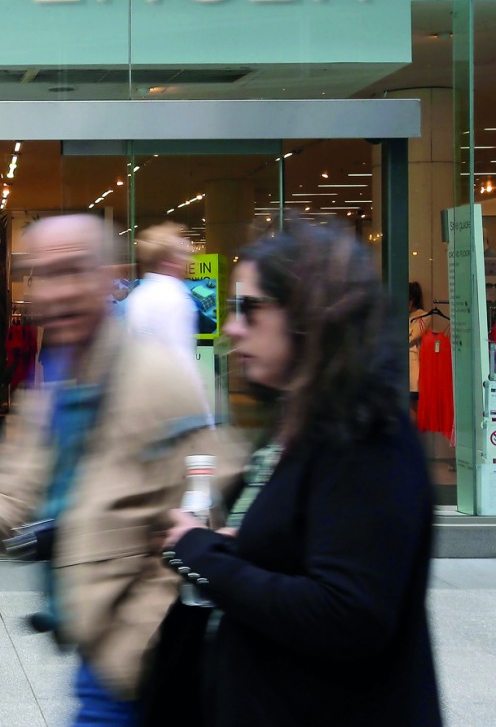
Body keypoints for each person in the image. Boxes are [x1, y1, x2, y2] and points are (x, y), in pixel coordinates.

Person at [0, 214, 239, 725]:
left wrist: (135, 633)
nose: (57, 291)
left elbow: (210, 487)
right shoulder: (60, 376)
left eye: (72, 271)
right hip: (95, 644)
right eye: (46, 275)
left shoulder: (156, 376)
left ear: (106, 277)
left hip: (136, 663)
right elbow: (15, 477)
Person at [161, 221, 441, 727]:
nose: (232, 328)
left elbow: (345, 612)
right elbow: (305, 557)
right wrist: (232, 547)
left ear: (310, 313)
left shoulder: (365, 434)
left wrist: (203, 554)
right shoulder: (305, 421)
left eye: (251, 309)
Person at [124, 221, 196, 361]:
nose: (189, 260)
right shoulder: (175, 298)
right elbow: (181, 360)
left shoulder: (138, 296)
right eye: (182, 254)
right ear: (167, 261)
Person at [409, 281, 429, 409]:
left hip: (413, 368)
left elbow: (411, 337)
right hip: (398, 367)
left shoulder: (423, 316)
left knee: (413, 406)